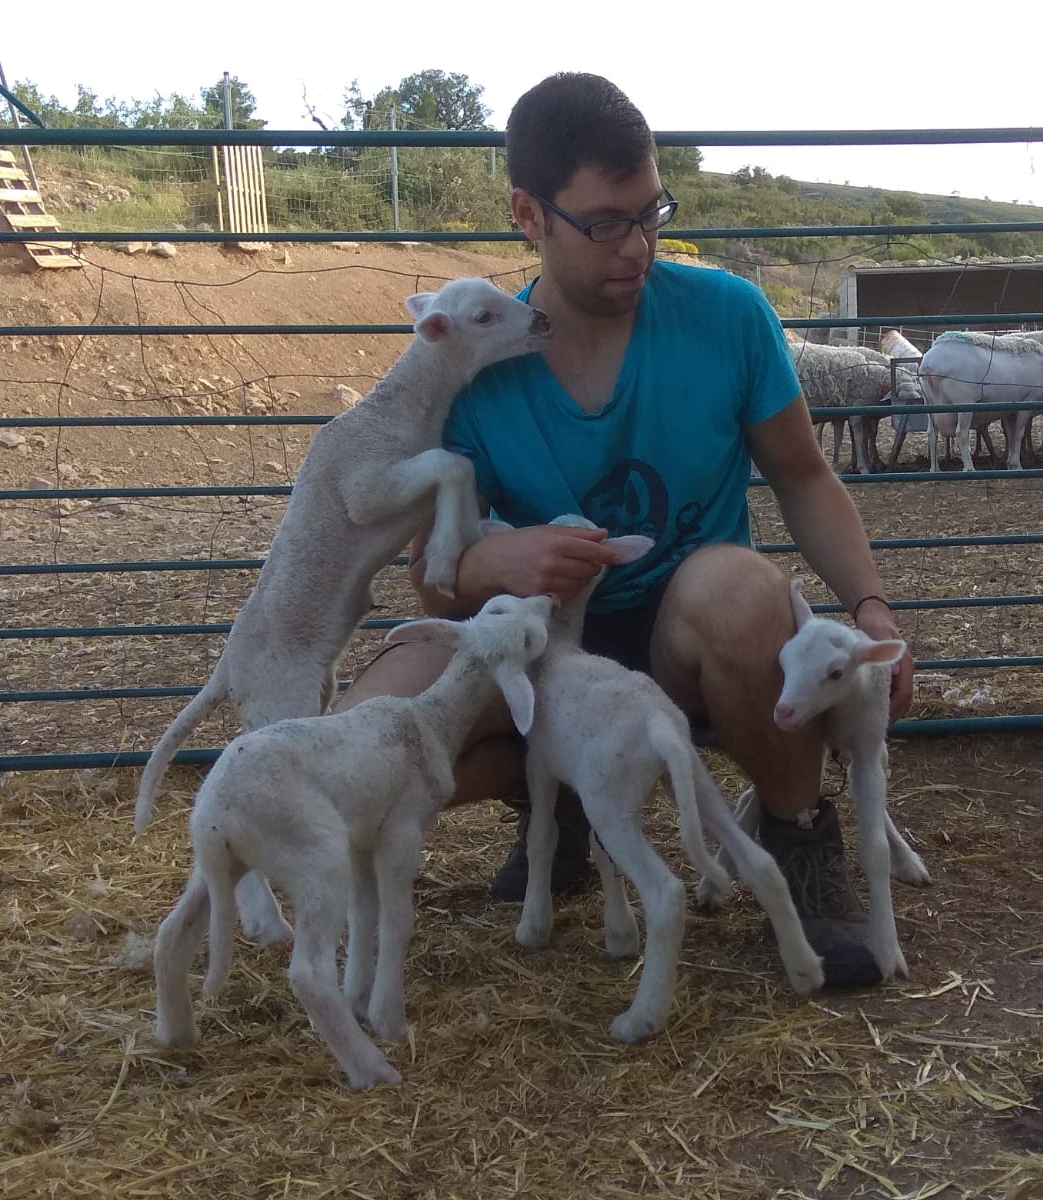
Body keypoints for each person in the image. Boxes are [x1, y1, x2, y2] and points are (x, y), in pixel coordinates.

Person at [334, 71, 913, 988]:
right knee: (368, 726)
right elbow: (433, 583)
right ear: (529, 213)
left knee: (744, 592)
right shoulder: (473, 364)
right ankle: (557, 816)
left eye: (650, 212)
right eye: (605, 222)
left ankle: (799, 838)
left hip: (685, 639)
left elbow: (803, 474)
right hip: (547, 650)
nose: (637, 245)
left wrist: (871, 608)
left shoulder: (728, 316)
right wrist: (495, 555)